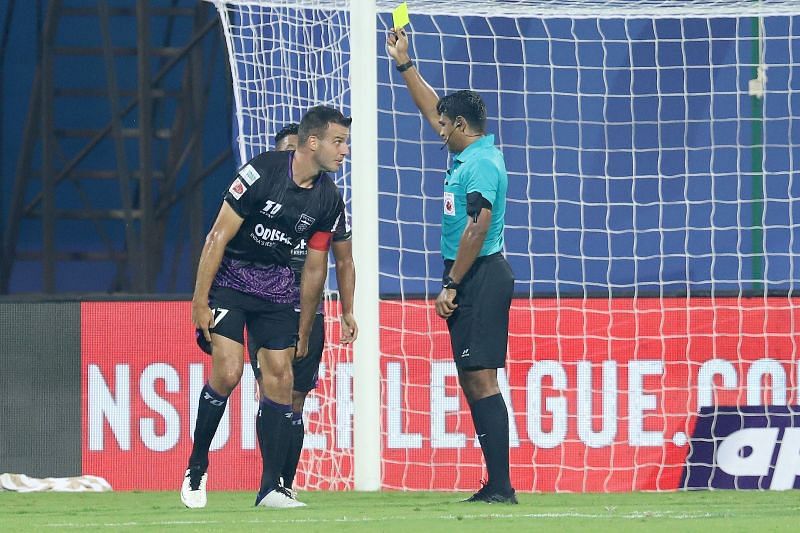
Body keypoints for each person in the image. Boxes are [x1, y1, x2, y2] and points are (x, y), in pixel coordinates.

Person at [181, 106, 352, 509]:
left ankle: (272, 488)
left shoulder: (329, 198)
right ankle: (196, 467)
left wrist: (305, 328)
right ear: (313, 143)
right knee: (228, 371)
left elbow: (314, 268)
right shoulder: (261, 172)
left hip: (276, 288)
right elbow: (218, 235)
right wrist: (200, 300)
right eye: (338, 142)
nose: (344, 151)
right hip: (231, 279)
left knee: (280, 379)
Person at [387, 28, 517, 504]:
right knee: (471, 376)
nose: (437, 129)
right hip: (471, 273)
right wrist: (405, 64)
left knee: (482, 377)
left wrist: (452, 283)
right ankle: (495, 484)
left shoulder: (480, 164)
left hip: (478, 274)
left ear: (460, 124)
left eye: (444, 124)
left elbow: (477, 227)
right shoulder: (470, 152)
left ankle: (502, 487)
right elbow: (431, 107)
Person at [249, 123, 357, 498]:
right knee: (270, 391)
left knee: (295, 398)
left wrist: (347, 310)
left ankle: (285, 485)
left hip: (308, 311)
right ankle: (269, 484)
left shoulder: (327, 202)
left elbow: (343, 259)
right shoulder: (260, 194)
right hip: (264, 303)